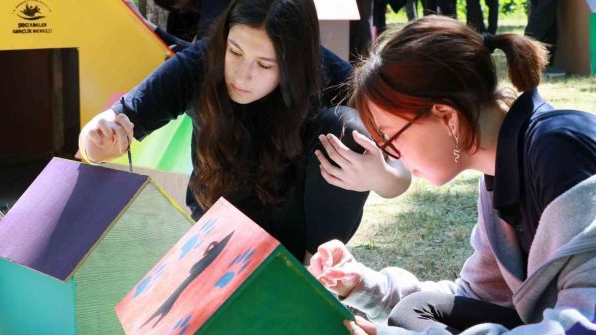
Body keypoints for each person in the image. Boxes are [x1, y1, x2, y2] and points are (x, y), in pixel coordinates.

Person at [311, 15, 596, 334]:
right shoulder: (500, 171)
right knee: (413, 312)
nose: (392, 154)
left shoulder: (561, 150)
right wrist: (362, 283)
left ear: (447, 117)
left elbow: (585, 325)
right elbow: (478, 297)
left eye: (391, 136)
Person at [79, 0, 411, 263]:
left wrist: (379, 175)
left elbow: (400, 174)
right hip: (218, 228)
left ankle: (315, 279)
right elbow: (99, 138)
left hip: (301, 236)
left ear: (294, 63)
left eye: (264, 64)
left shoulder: (328, 75)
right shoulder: (200, 62)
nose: (242, 74)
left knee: (346, 127)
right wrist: (100, 135)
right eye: (235, 51)